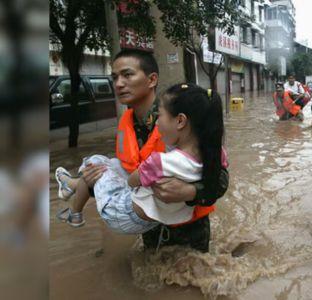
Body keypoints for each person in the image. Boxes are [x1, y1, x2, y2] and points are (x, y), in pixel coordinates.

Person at [54, 49, 228, 252]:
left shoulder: (178, 117)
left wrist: (190, 191)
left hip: (188, 229)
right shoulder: (127, 122)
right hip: (148, 223)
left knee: (191, 278)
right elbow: (128, 178)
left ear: (152, 79)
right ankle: (75, 185)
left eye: (127, 75)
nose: (118, 84)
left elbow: (220, 176)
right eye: (115, 77)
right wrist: (92, 181)